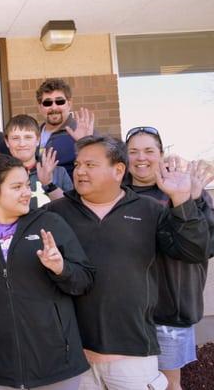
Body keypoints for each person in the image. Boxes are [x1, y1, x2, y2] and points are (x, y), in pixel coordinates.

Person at [44, 135, 210, 390]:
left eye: (90, 165)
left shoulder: (149, 210)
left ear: (118, 170)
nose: (80, 172)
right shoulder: (57, 214)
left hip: (134, 355)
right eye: (77, 165)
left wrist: (182, 200)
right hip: (75, 356)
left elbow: (192, 251)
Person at [0, 153, 94, 389]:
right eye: (17, 187)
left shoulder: (50, 223)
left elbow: (84, 280)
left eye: (27, 185)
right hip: (0, 369)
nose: (27, 192)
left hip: (57, 365)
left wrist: (61, 268)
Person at [125, 126, 214, 390]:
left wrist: (189, 199)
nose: (141, 158)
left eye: (149, 151)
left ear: (162, 155)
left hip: (170, 310)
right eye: (133, 151)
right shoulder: (117, 196)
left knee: (168, 384)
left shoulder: (187, 189)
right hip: (128, 312)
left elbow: (206, 246)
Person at [4, 115, 72, 208]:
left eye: (28, 137)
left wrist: (49, 185)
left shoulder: (59, 173)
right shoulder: (0, 175)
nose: (22, 144)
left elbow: (72, 210)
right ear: (7, 142)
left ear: (38, 140)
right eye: (15, 138)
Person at [35, 78, 94, 178]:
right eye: (47, 103)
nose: (54, 107)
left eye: (60, 101)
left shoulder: (84, 133)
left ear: (69, 104)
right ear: (40, 107)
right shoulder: (33, 135)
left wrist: (86, 143)